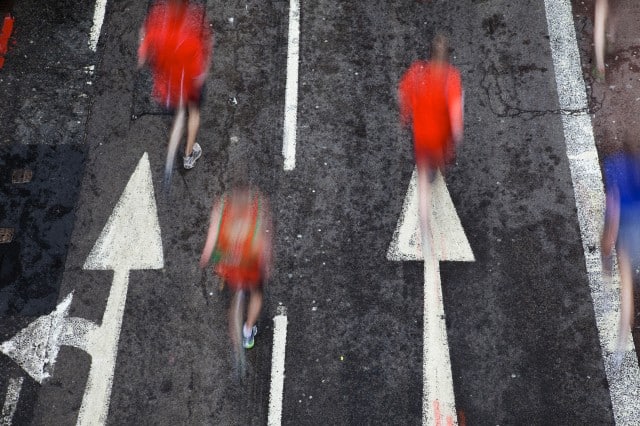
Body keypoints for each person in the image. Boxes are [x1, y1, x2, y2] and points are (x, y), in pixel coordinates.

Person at [398, 34, 464, 253]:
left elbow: (403, 94)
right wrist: (457, 134)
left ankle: (425, 229)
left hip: (422, 136)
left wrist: (405, 116)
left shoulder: (417, 73)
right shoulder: (451, 78)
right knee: (439, 171)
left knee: (423, 180)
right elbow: (455, 111)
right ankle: (441, 219)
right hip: (440, 138)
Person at [138, 0, 213, 169]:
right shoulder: (190, 35)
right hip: (188, 86)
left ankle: (172, 152)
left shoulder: (156, 25)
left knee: (179, 115)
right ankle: (188, 155)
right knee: (193, 113)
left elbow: (143, 55)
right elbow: (199, 70)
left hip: (168, 89)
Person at [199, 187, 273, 350]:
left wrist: (206, 257)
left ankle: (236, 298)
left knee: (236, 288)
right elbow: (262, 244)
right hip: (250, 265)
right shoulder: (255, 211)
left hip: (231, 265)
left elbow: (212, 238)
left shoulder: (222, 209)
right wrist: (266, 263)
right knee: (256, 294)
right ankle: (248, 332)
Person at [601, 139, 640, 366]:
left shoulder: (614, 169)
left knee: (626, 288)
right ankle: (620, 348)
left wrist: (608, 244)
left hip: (626, 232)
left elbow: (612, 213)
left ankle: (620, 348)